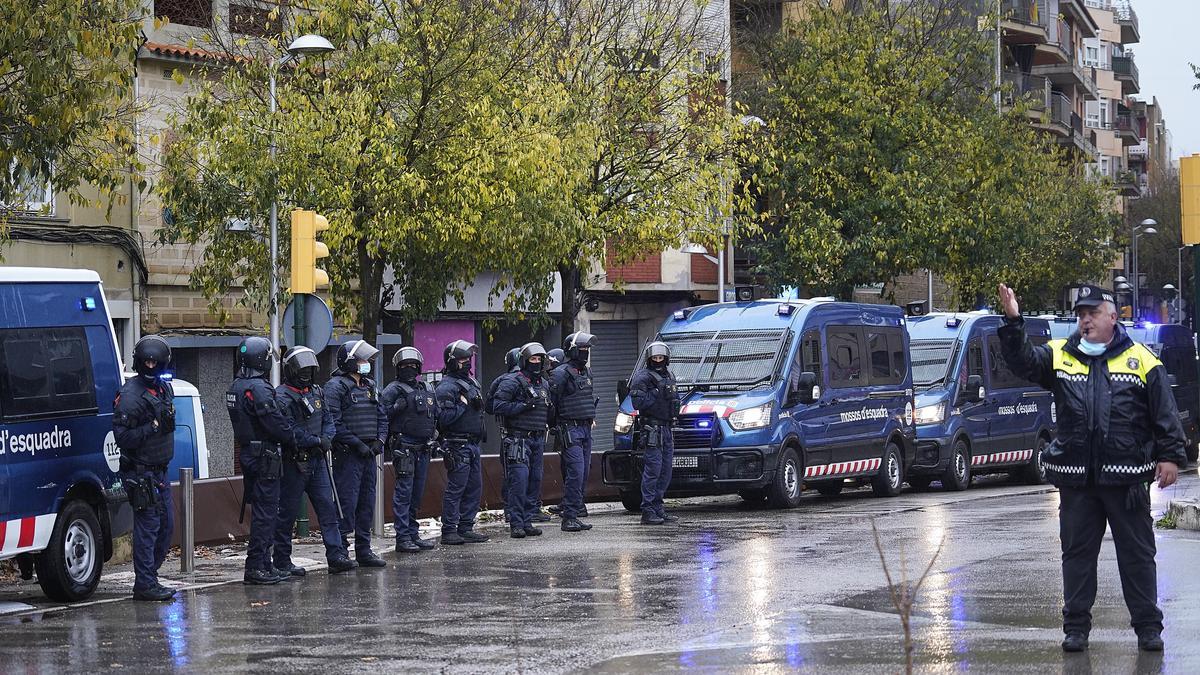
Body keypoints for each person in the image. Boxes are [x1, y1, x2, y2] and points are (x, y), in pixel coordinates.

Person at [997, 283, 1184, 653]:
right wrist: (1014, 320)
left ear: (1113, 317)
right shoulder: (1059, 355)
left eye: (1093, 313)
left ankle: (1148, 628)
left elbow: (1164, 411)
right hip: (1078, 480)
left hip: (1126, 480)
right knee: (1077, 557)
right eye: (1081, 314)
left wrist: (1171, 456)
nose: (1085, 320)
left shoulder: (1142, 360)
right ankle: (1076, 629)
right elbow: (1022, 363)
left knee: (1138, 556)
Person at [227, 336, 308, 585]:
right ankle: (256, 566)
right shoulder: (259, 388)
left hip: (250, 454)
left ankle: (265, 564)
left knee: (263, 511)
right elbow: (274, 422)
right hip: (265, 456)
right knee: (266, 514)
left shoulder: (235, 386)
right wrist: (293, 438)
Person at [273, 347, 356, 575]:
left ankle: (336, 555)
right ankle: (281, 560)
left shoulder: (316, 392)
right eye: (303, 370)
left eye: (310, 370)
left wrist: (327, 438)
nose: (307, 375)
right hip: (295, 462)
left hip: (318, 462)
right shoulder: (281, 397)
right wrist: (316, 440)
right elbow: (289, 429)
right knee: (287, 514)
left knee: (328, 509)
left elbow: (328, 419)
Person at [114, 335, 177, 601]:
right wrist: (150, 427)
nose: (151, 366)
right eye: (147, 361)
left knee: (166, 527)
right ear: (140, 362)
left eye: (155, 361)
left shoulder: (165, 389)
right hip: (141, 472)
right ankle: (145, 583)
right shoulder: (130, 396)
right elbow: (122, 437)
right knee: (148, 528)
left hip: (160, 471)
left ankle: (151, 574)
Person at [325, 340, 389, 568]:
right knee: (346, 503)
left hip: (369, 454)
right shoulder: (335, 387)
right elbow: (334, 422)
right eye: (362, 360)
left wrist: (380, 440)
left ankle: (364, 549)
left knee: (366, 503)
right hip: (348, 455)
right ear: (350, 361)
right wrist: (356, 443)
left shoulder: (370, 385)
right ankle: (340, 551)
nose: (367, 364)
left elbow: (382, 416)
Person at [491, 342, 554, 538]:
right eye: (532, 359)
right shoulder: (513, 381)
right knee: (519, 481)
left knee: (534, 480)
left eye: (538, 359)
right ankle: (516, 523)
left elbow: (547, 409)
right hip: (518, 439)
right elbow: (497, 406)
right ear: (525, 361)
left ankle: (527, 521)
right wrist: (522, 406)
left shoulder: (543, 384)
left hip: (537, 439)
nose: (536, 363)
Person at [380, 347, 439, 553]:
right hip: (404, 447)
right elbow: (380, 415)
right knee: (404, 493)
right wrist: (395, 407)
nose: (410, 369)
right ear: (398, 368)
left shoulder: (425, 388)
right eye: (405, 366)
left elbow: (434, 414)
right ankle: (402, 537)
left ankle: (413, 533)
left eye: (413, 365)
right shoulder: (393, 389)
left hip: (423, 448)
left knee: (416, 494)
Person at [435, 340, 490, 545]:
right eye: (461, 360)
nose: (467, 363)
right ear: (451, 362)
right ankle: (449, 530)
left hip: (473, 444)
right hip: (457, 444)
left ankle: (466, 527)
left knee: (474, 487)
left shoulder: (471, 383)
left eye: (468, 359)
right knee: (456, 488)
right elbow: (443, 419)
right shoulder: (446, 386)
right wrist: (462, 405)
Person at [628, 341, 679, 525]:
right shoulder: (642, 377)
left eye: (661, 358)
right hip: (652, 429)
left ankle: (658, 507)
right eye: (655, 358)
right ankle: (648, 510)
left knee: (666, 471)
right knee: (653, 470)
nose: (658, 361)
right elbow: (637, 403)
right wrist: (656, 392)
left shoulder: (670, 375)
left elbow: (674, 399)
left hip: (667, 428)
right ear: (650, 359)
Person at [551, 332, 597, 532]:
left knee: (584, 473)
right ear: (571, 349)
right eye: (582, 349)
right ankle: (568, 516)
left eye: (587, 349)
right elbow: (551, 403)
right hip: (569, 428)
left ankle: (576, 512)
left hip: (586, 428)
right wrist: (555, 425)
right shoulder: (561, 373)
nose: (585, 353)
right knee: (575, 472)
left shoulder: (586, 373)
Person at [486, 346, 522, 524]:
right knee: (514, 474)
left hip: (515, 434)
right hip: (511, 434)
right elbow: (492, 406)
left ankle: (517, 511)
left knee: (517, 474)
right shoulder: (505, 381)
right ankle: (512, 510)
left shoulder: (534, 380)